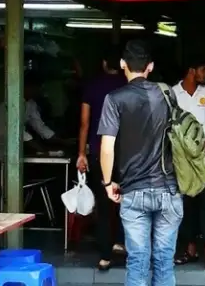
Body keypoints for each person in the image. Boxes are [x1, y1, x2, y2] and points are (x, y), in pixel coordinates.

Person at [98, 40, 182, 286]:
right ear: (151, 66)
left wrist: (107, 182)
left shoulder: (114, 99)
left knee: (137, 262)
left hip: (133, 192)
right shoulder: (167, 93)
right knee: (165, 263)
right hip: (169, 189)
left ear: (123, 64)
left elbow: (106, 147)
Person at [0, 73, 66, 209]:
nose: (40, 91)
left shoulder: (30, 105)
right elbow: (19, 132)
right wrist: (42, 150)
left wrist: (63, 142)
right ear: (26, 87)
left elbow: (41, 128)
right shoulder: (10, 103)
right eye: (37, 88)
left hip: (1, 150)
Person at [76, 51, 126, 270]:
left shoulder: (93, 86)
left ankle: (105, 256)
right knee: (128, 201)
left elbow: (84, 123)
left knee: (104, 206)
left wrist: (81, 153)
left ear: (104, 62)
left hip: (99, 152)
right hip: (126, 154)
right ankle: (121, 243)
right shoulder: (128, 85)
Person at [173, 55, 205, 269]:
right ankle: (190, 249)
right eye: (204, 69)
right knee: (186, 204)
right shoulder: (173, 93)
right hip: (183, 161)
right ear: (192, 71)